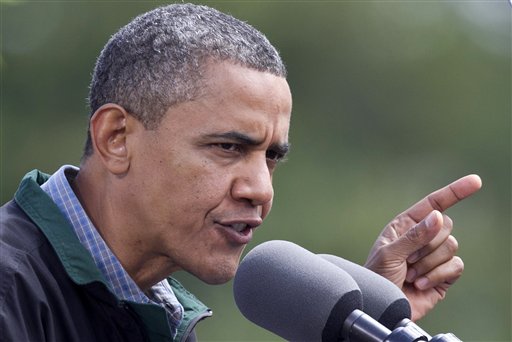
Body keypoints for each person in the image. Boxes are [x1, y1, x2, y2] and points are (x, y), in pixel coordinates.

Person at [0, 3, 482, 341]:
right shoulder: (10, 292)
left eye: (272, 157)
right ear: (116, 138)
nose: (260, 189)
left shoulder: (153, 308)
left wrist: (358, 325)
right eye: (228, 147)